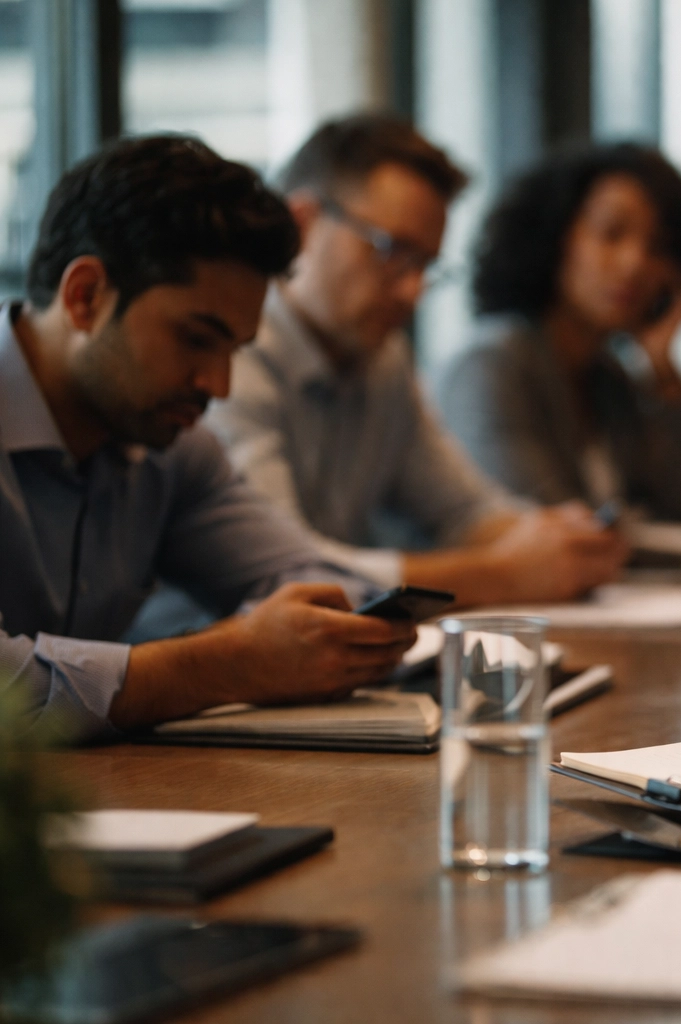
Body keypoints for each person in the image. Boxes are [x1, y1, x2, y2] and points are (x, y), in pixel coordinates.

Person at [0, 136, 414, 740]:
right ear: (85, 297)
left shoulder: (171, 449)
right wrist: (222, 663)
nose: (217, 385)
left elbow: (309, 577)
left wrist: (326, 631)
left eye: (233, 351)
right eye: (196, 339)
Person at [201, 115, 627, 607]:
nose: (413, 290)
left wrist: (561, 541)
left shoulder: (382, 358)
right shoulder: (229, 355)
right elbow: (287, 572)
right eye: (391, 251)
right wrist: (503, 576)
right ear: (302, 225)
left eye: (425, 265)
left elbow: (462, 511)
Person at [437, 143, 681, 523]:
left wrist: (665, 372)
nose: (634, 263)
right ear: (555, 235)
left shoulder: (609, 379)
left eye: (658, 247)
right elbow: (550, 535)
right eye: (611, 233)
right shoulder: (491, 367)